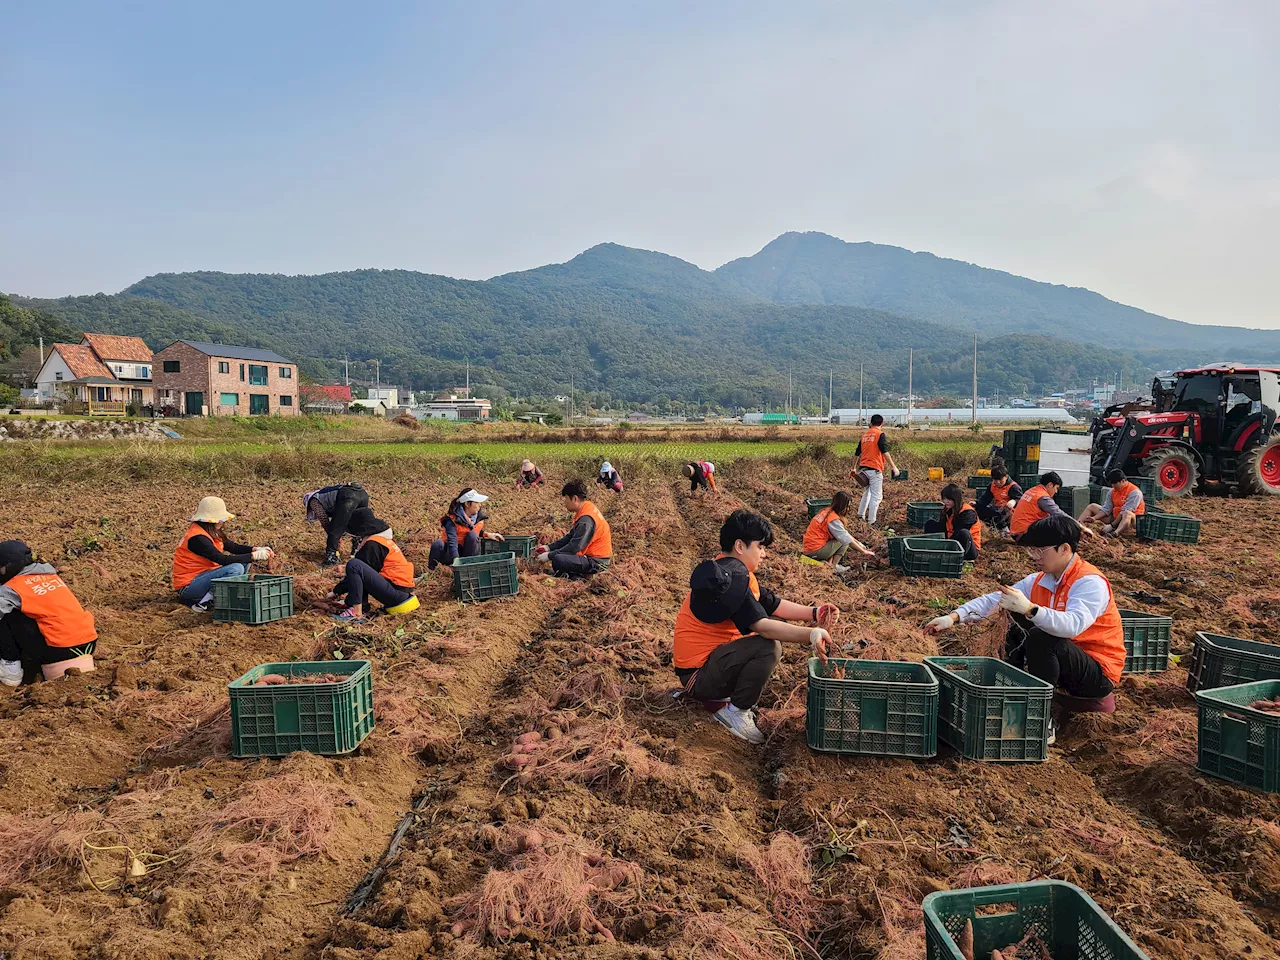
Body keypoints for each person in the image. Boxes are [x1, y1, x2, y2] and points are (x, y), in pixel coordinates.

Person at [925, 514, 1126, 743]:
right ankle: (1010, 697)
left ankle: (1041, 720)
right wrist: (954, 617)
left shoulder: (1089, 582)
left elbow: (1072, 625)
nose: (1035, 557)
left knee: (1041, 635)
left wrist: (1031, 610)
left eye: (1040, 551)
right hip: (1064, 661)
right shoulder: (1041, 579)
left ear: (1064, 549)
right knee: (1013, 618)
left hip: (1096, 671)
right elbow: (995, 600)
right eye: (1032, 550)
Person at [673, 510, 836, 744]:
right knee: (768, 646)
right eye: (760, 547)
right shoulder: (729, 583)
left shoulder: (733, 572)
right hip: (699, 678)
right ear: (740, 546)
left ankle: (732, 698)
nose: (764, 554)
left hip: (709, 666)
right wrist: (812, 634)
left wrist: (815, 613)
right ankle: (736, 712)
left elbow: (772, 604)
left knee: (776, 627)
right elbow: (764, 628)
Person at [0, 540, 98, 686]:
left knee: (8, 616)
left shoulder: (12, 587)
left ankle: (10, 670)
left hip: (59, 649)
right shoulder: (51, 576)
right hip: (87, 642)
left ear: (9, 566)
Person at [172, 497, 274, 612]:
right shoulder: (198, 538)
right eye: (219, 519)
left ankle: (226, 595)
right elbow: (221, 559)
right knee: (236, 568)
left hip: (203, 576)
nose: (223, 521)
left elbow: (234, 547)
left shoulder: (210, 532)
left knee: (243, 562)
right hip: (189, 585)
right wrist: (254, 556)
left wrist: (255, 549)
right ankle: (204, 603)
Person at [326, 508, 419, 623]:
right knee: (359, 567)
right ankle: (360, 606)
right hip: (402, 595)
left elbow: (355, 572)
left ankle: (356, 613)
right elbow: (365, 576)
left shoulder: (372, 545)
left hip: (396, 595)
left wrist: (335, 592)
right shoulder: (380, 541)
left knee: (354, 564)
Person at [531, 481, 612, 578]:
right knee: (559, 557)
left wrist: (549, 556)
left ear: (575, 499)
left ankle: (579, 577)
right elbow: (570, 537)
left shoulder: (586, 520)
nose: (564, 502)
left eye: (566, 498)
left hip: (597, 562)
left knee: (558, 559)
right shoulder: (586, 507)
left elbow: (574, 548)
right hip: (593, 558)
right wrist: (548, 548)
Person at [428, 489, 504, 570]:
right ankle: (432, 571)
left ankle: (470, 566)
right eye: (476, 502)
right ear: (467, 504)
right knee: (437, 544)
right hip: (451, 553)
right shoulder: (451, 520)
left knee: (473, 535)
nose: (480, 505)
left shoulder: (477, 517)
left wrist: (488, 534)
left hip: (467, 552)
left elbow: (470, 530)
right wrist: (456, 561)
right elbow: (452, 541)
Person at [803, 491, 877, 573]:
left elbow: (844, 533)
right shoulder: (833, 519)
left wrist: (858, 543)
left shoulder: (827, 511)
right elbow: (845, 538)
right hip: (815, 549)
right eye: (847, 507)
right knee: (843, 542)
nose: (848, 509)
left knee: (841, 539)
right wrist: (864, 552)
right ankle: (833, 568)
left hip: (810, 546)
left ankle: (828, 563)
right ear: (842, 506)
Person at [1008, 471, 1093, 542]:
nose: (1056, 492)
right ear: (1050, 485)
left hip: (1017, 532)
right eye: (1056, 488)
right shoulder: (1042, 497)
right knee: (1058, 523)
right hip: (1025, 534)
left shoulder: (1032, 491)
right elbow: (1059, 514)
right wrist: (1080, 527)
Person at [303, 482, 370, 566]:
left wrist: (336, 536)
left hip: (348, 496)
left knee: (334, 529)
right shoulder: (324, 493)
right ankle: (357, 553)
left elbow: (324, 519)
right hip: (363, 494)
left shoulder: (313, 500)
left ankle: (331, 559)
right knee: (357, 526)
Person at [854, 415, 900, 525]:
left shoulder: (865, 435)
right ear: (882, 424)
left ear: (871, 423)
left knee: (867, 492)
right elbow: (885, 451)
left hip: (863, 469)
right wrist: (894, 467)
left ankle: (861, 515)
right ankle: (872, 521)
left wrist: (853, 467)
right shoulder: (880, 434)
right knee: (876, 496)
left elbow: (857, 452)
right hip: (875, 469)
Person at [1079, 468, 1145, 538]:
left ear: (1122, 481)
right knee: (1092, 506)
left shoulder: (1135, 492)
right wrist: (1094, 518)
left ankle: (1114, 534)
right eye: (1111, 483)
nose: (1113, 486)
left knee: (1126, 513)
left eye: (1115, 483)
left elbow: (1125, 511)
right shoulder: (1112, 491)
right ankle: (1077, 525)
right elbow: (1106, 509)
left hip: (1132, 521)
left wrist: (1112, 525)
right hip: (1115, 517)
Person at [924, 483, 982, 561]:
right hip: (950, 539)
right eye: (944, 499)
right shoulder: (948, 509)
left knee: (963, 533)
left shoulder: (968, 512)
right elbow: (943, 526)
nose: (946, 501)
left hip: (969, 548)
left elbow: (958, 533)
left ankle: (957, 558)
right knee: (930, 524)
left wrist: (946, 545)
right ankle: (929, 548)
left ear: (956, 499)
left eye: (949, 499)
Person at [975, 465, 1022, 535]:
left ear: (1006, 477)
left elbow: (1021, 500)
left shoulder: (1013, 487)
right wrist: (976, 504)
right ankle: (991, 526)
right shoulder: (992, 486)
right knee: (980, 509)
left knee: (1000, 512)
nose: (997, 482)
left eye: (1000, 479)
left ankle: (1005, 529)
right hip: (997, 509)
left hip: (1009, 512)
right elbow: (985, 499)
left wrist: (1014, 501)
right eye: (995, 480)